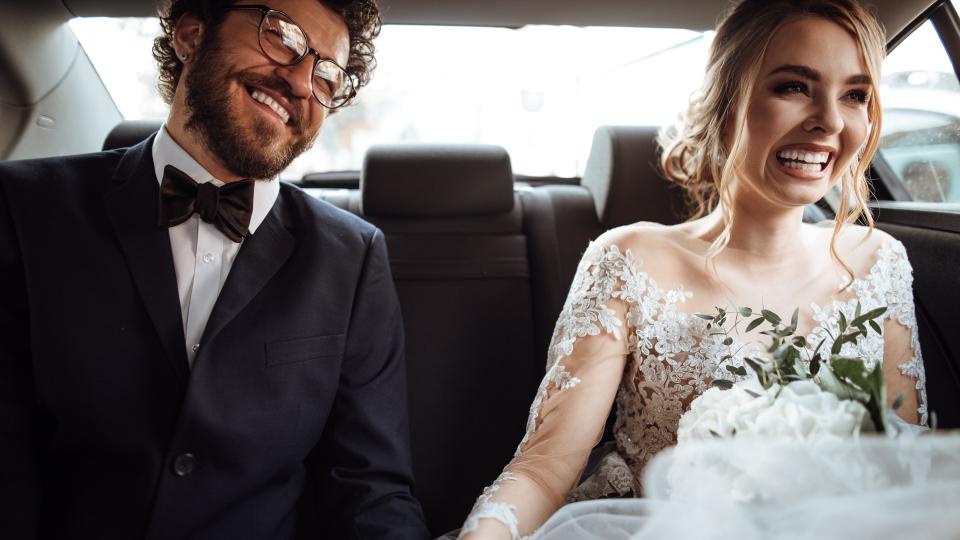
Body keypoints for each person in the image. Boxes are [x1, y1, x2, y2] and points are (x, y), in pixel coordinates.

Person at [459, 1, 928, 538]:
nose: (829, 120)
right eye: (794, 87)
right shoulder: (628, 261)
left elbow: (903, 470)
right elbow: (546, 470)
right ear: (728, 102)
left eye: (855, 95)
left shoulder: (879, 263)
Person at [0, 0, 430, 538]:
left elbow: (371, 490)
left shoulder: (354, 255)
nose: (300, 81)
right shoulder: (26, 208)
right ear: (191, 35)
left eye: (326, 76)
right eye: (283, 38)